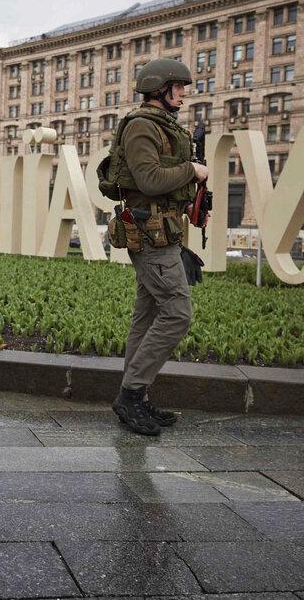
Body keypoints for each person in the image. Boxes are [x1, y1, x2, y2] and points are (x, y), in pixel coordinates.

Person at [111, 58, 208, 436]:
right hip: (150, 234)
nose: (183, 94)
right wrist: (192, 171)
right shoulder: (142, 126)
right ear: (159, 89)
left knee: (147, 315)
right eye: (178, 87)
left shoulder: (163, 124)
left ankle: (134, 396)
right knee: (177, 313)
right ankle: (131, 395)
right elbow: (149, 180)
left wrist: (194, 203)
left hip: (163, 229)